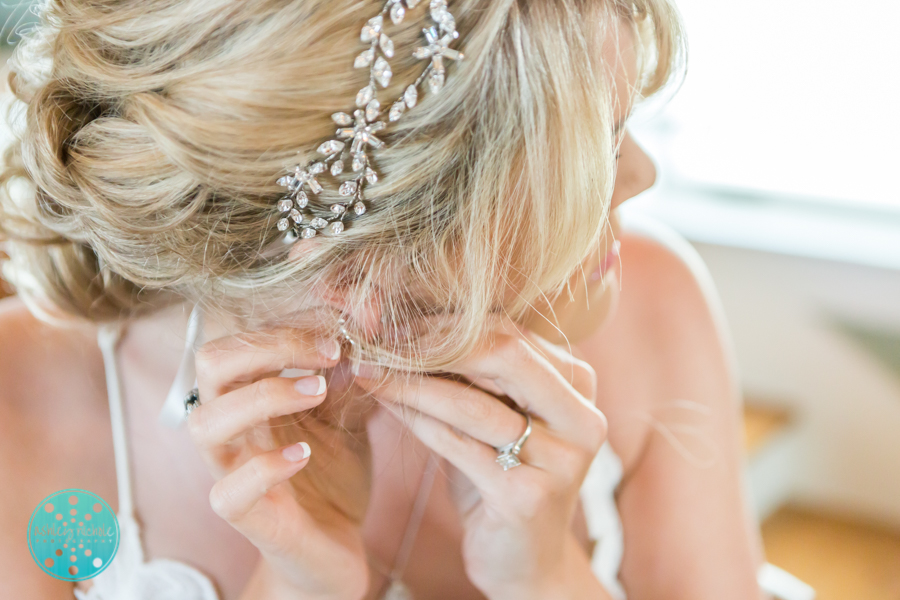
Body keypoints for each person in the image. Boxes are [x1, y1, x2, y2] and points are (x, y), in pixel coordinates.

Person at [0, 0, 772, 598]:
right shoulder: (20, 412)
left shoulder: (654, 306)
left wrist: (546, 577)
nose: (641, 175)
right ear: (366, 260)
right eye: (596, 145)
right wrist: (301, 589)